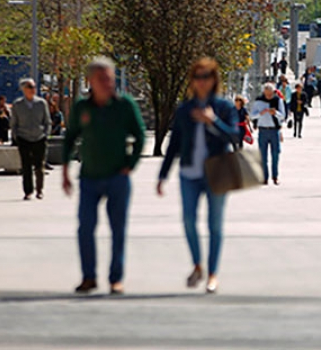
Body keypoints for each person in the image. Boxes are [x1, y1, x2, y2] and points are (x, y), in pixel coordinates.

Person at [62, 57, 146, 295]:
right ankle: (88, 277)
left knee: (118, 229)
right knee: (85, 227)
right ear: (91, 81)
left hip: (118, 179)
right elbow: (70, 138)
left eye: (110, 78)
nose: (108, 83)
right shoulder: (82, 107)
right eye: (102, 79)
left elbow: (140, 136)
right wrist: (65, 172)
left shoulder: (124, 105)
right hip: (89, 178)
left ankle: (115, 279)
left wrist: (130, 164)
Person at [157, 58, 239, 294]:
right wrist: (163, 175)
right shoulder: (185, 109)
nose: (201, 82)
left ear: (214, 80)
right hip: (189, 173)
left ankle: (213, 274)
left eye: (206, 77)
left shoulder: (224, 107)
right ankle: (197, 265)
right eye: (197, 77)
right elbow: (174, 144)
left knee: (215, 224)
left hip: (217, 171)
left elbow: (235, 136)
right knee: (189, 221)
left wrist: (213, 121)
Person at [10, 79, 51, 200]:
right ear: (23, 89)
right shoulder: (17, 105)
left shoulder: (41, 103)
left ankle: (39, 190)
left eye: (34, 86)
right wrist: (15, 136)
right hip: (23, 138)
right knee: (26, 166)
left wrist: (45, 134)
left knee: (39, 166)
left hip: (39, 138)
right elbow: (14, 123)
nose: (33, 89)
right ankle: (28, 191)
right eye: (30, 87)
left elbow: (47, 121)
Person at [251, 82, 286, 185]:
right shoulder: (258, 101)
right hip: (262, 130)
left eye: (270, 94)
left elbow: (283, 116)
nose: (268, 96)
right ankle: (264, 177)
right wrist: (260, 114)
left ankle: (275, 176)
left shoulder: (277, 101)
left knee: (275, 154)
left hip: (274, 130)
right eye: (267, 94)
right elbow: (252, 116)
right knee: (263, 155)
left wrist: (275, 113)